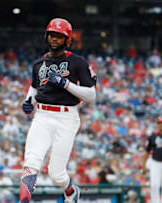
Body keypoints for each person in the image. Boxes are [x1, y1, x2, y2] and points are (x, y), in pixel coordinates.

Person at [20, 17, 97, 203]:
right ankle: (23, 200)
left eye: (59, 36)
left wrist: (66, 84)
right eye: (52, 35)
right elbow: (34, 88)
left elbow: (91, 96)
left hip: (67, 118)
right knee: (31, 161)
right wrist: (27, 100)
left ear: (67, 39)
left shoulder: (78, 62)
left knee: (56, 174)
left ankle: (70, 190)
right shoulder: (38, 64)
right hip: (43, 115)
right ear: (46, 36)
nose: (54, 39)